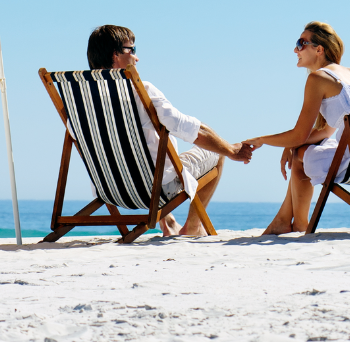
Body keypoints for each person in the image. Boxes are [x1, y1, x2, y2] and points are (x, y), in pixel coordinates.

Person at [85, 25, 254, 236]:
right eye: (132, 50)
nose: (137, 58)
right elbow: (188, 128)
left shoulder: (80, 101)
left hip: (108, 190)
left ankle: (168, 221)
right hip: (154, 190)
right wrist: (230, 150)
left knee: (151, 152)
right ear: (115, 55)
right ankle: (193, 228)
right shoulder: (141, 90)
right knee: (215, 152)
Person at [244, 21, 350, 235]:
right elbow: (327, 131)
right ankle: (282, 220)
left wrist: (262, 140)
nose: (295, 49)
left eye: (301, 43)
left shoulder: (319, 78)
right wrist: (289, 145)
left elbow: (300, 135)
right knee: (299, 150)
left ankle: (299, 224)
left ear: (319, 49)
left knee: (300, 154)